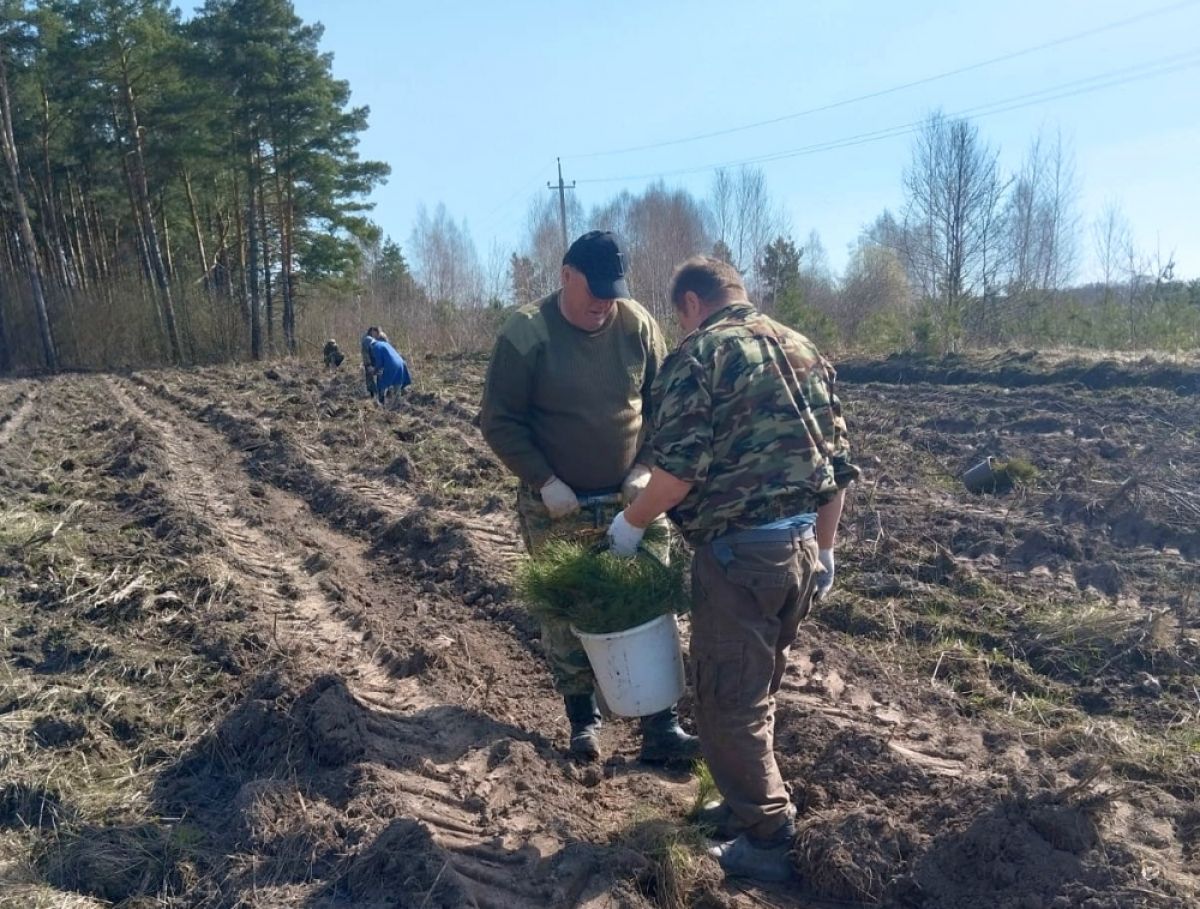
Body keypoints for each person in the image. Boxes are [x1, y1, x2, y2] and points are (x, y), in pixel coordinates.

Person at [605, 256, 858, 882]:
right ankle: (741, 801)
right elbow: (839, 468)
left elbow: (679, 472)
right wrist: (824, 549)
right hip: (798, 551)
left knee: (725, 702)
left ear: (690, 303)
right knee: (757, 686)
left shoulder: (702, 355)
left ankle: (769, 837)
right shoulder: (802, 348)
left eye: (678, 313)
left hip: (740, 558)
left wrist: (632, 521)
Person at [480, 230, 700, 766]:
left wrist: (645, 468)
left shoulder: (638, 326)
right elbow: (498, 420)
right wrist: (543, 480)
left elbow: (664, 407)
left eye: (612, 292)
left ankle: (661, 726)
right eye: (593, 291)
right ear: (565, 277)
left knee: (649, 602)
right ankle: (584, 720)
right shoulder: (527, 334)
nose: (603, 303)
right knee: (569, 612)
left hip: (635, 500)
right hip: (559, 504)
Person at [370, 334, 412, 405]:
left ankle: (381, 402)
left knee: (381, 381)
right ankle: (399, 405)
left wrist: (374, 371)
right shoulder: (387, 344)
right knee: (397, 387)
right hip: (401, 364)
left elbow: (379, 363)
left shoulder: (376, 347)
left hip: (392, 365)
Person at [361, 326, 381, 397]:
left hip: (378, 360)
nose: (376, 334)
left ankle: (380, 393)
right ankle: (372, 393)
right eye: (375, 333)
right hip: (370, 360)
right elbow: (365, 353)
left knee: (380, 375)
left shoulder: (381, 338)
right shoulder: (366, 340)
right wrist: (368, 364)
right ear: (372, 332)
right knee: (369, 377)